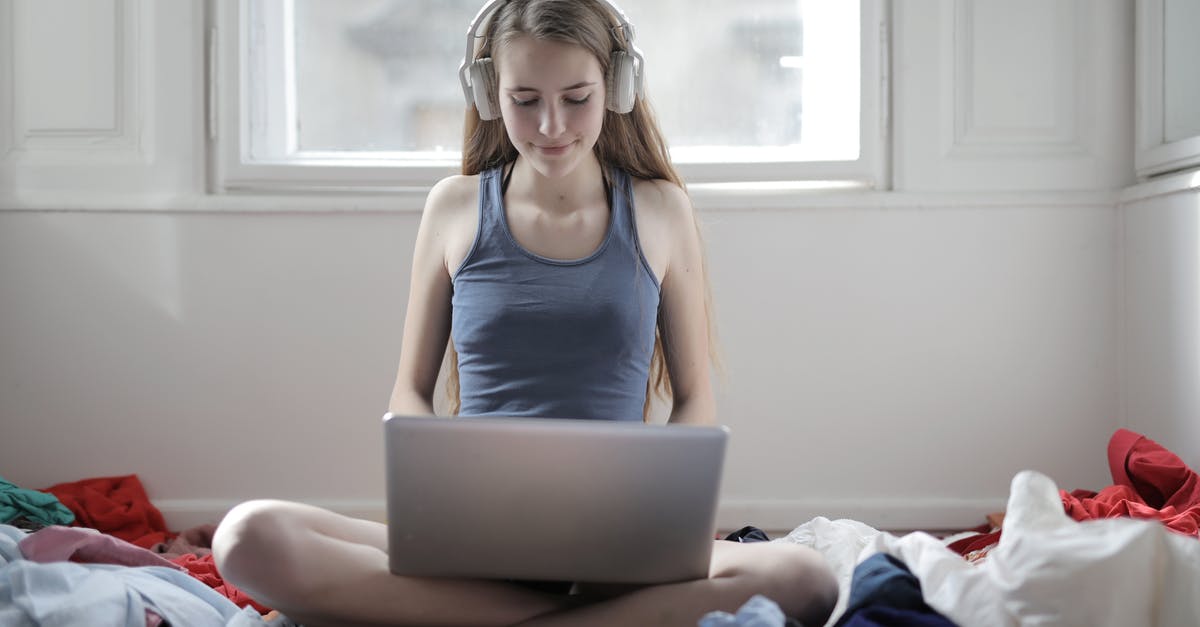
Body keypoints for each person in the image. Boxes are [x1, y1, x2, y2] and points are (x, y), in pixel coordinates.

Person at [212, 1, 839, 625]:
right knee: (248, 536)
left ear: (617, 86)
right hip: (474, 537)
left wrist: (659, 522)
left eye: (576, 98)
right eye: (525, 100)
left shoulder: (661, 209)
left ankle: (490, 617)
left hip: (618, 544)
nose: (550, 125)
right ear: (490, 94)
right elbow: (410, 392)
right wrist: (439, 500)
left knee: (803, 578)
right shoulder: (453, 207)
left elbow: (695, 399)